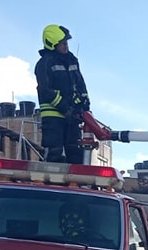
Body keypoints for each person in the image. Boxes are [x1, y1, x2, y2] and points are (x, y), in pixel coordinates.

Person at [35, 24, 90, 164]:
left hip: (72, 115)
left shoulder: (72, 61)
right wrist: (65, 107)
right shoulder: (44, 64)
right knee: (54, 152)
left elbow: (80, 84)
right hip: (53, 117)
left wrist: (85, 103)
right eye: (62, 43)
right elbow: (45, 91)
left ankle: (76, 178)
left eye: (66, 43)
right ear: (52, 44)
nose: (66, 46)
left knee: (76, 152)